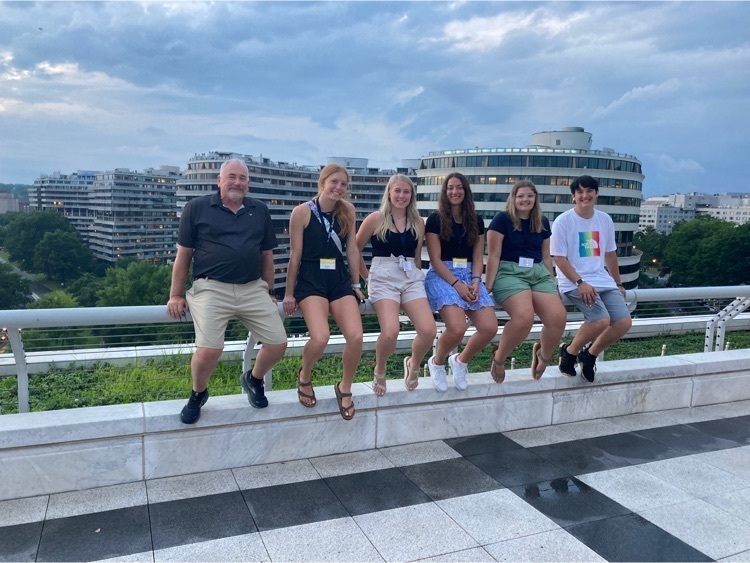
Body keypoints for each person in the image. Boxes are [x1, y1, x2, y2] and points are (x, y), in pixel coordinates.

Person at [167, 159, 287, 424]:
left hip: (252, 288)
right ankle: (198, 393)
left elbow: (267, 255)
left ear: (248, 183)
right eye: (231, 177)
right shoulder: (196, 208)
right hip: (211, 288)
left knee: (278, 344)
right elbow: (184, 255)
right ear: (219, 181)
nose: (237, 182)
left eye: (243, 178)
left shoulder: (260, 210)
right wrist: (175, 295)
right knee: (209, 350)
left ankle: (254, 379)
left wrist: (269, 291)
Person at [283, 163, 363, 420]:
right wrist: (289, 293)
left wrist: (356, 284)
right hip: (311, 280)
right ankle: (304, 375)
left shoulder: (347, 211)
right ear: (323, 182)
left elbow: (351, 250)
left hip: (338, 280)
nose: (338, 188)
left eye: (343, 185)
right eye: (334, 182)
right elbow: (295, 255)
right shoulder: (302, 212)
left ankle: (345, 387)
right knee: (320, 337)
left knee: (356, 337)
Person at [356, 174, 436, 395]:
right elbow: (354, 250)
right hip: (383, 275)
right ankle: (380, 369)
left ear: (412, 195)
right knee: (390, 331)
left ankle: (414, 364)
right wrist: (365, 277)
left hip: (410, 275)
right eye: (397, 191)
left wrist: (419, 280)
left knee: (429, 330)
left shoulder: (419, 222)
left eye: (406, 192)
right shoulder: (375, 219)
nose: (401, 196)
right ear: (389, 193)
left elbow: (417, 256)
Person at [550, 175, 632, 383]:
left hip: (602, 280)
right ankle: (569, 352)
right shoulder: (563, 221)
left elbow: (610, 254)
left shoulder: (604, 220)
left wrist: (618, 282)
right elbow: (559, 258)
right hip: (574, 281)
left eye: (589, 191)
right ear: (573, 196)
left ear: (596, 193)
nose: (584, 196)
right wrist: (580, 282)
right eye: (580, 192)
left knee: (623, 322)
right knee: (600, 319)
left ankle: (590, 355)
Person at [484, 180, 567, 382]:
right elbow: (493, 255)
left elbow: (546, 257)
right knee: (524, 318)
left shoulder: (542, 221)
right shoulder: (501, 220)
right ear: (513, 198)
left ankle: (543, 356)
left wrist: (553, 283)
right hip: (509, 272)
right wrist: (487, 285)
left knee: (558, 317)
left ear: (535, 198)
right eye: (520, 195)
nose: (525, 199)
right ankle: (500, 357)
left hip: (538, 272)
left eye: (530, 195)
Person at [424, 172, 497, 391]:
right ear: (445, 192)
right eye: (450, 188)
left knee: (489, 327)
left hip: (469, 274)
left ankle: (460, 361)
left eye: (459, 188)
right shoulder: (435, 219)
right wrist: (457, 285)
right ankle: (437, 362)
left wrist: (476, 281)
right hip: (443, 275)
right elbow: (435, 260)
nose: (455, 192)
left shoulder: (476, 220)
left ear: (466, 191)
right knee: (456, 328)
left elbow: (477, 257)